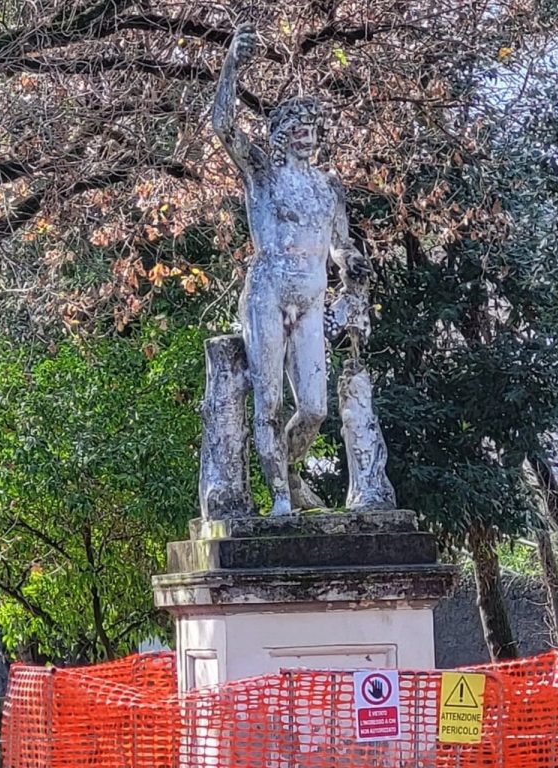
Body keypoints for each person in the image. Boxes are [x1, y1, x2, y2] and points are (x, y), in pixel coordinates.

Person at [212, 23, 371, 515]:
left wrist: (353, 265)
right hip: (267, 292)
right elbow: (224, 128)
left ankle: (291, 470)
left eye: (313, 131)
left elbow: (340, 247)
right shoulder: (262, 173)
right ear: (281, 135)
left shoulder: (328, 187)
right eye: (298, 131)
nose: (307, 138)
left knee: (316, 408)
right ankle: (280, 497)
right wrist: (231, 64)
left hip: (311, 296)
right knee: (268, 402)